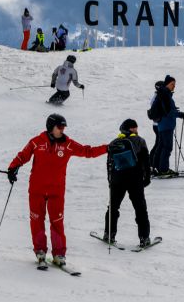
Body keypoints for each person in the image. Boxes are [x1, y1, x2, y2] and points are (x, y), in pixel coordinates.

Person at [6, 114, 108, 267]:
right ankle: (40, 251)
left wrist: (108, 148)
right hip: (37, 189)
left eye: (63, 127)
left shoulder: (68, 144)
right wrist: (12, 168)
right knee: (37, 221)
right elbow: (23, 156)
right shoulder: (36, 142)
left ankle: (59, 254)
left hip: (56, 192)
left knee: (57, 222)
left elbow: (88, 152)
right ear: (50, 127)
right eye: (59, 127)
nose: (62, 130)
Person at [103, 119, 152, 246]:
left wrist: (110, 180)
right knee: (140, 208)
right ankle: (144, 238)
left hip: (117, 179)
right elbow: (146, 160)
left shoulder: (114, 142)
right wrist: (147, 177)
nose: (136, 129)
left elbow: (109, 163)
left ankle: (109, 234)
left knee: (113, 207)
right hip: (135, 179)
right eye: (134, 127)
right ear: (131, 129)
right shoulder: (140, 141)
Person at [150, 75, 184, 176]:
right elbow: (169, 112)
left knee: (161, 146)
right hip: (166, 125)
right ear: (167, 84)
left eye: (174, 85)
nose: (174, 87)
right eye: (172, 84)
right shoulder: (165, 95)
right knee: (167, 147)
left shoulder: (162, 94)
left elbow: (167, 110)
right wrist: (181, 115)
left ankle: (156, 167)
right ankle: (163, 170)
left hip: (162, 125)